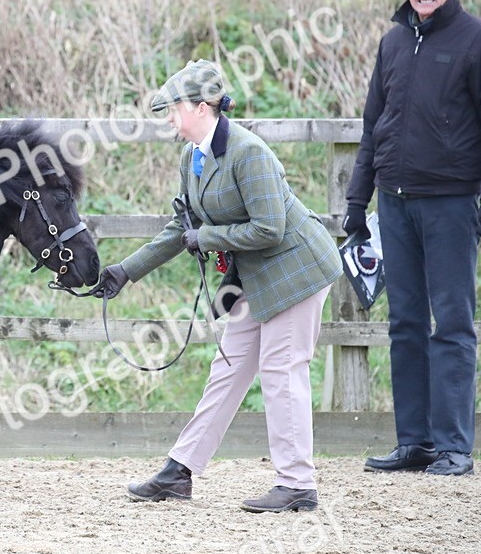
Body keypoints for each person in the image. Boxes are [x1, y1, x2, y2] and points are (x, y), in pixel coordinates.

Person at [93, 59, 343, 513]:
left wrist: (207, 237)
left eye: (175, 107)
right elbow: (179, 227)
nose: (169, 116)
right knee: (227, 368)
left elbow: (270, 227)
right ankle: (179, 471)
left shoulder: (250, 153)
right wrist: (125, 271)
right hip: (254, 275)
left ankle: (297, 483)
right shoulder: (191, 157)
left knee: (281, 369)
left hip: (296, 270)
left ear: (203, 107)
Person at [344, 0, 481, 477]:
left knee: (453, 324)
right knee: (405, 323)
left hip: (450, 206)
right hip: (395, 206)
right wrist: (357, 200)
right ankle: (414, 442)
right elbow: (373, 129)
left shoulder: (480, 41)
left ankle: (454, 447)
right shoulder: (393, 43)